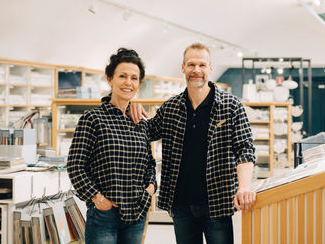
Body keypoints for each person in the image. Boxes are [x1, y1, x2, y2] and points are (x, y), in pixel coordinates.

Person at [130, 43, 256, 244]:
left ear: (210, 69)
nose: (196, 70)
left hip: (218, 202)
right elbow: (146, 132)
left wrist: (244, 187)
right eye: (191, 64)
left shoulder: (231, 106)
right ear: (183, 67)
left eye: (202, 65)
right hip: (181, 205)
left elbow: (245, 149)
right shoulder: (171, 107)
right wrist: (130, 104)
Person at [67, 48, 156, 244]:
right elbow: (75, 165)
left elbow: (149, 163)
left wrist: (150, 188)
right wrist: (97, 199)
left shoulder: (140, 122)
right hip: (105, 215)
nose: (128, 82)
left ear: (139, 83)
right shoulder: (93, 119)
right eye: (122, 76)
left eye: (134, 78)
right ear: (110, 79)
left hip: (137, 212)